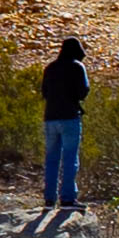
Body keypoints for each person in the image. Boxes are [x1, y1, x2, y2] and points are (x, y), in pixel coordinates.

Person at [39, 37, 90, 208]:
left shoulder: (50, 68)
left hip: (50, 118)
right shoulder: (77, 67)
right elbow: (83, 91)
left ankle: (49, 199)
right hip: (69, 117)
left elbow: (44, 92)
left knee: (51, 159)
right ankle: (67, 198)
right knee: (70, 158)